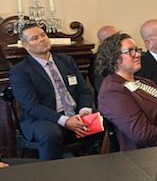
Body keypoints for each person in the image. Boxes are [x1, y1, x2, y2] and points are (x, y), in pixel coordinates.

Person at [8, 23, 97, 161]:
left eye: (43, 35)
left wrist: (85, 110)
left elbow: (83, 91)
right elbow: (32, 107)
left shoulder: (66, 60)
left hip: (74, 113)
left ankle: (93, 166)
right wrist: (65, 121)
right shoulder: (20, 71)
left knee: (105, 121)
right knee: (51, 134)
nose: (42, 39)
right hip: (42, 118)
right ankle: (52, 176)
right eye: (35, 38)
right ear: (26, 46)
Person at [95, 33, 157, 151]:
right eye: (130, 51)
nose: (137, 55)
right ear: (114, 57)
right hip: (151, 155)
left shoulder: (142, 81)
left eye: (137, 50)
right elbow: (142, 134)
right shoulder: (112, 92)